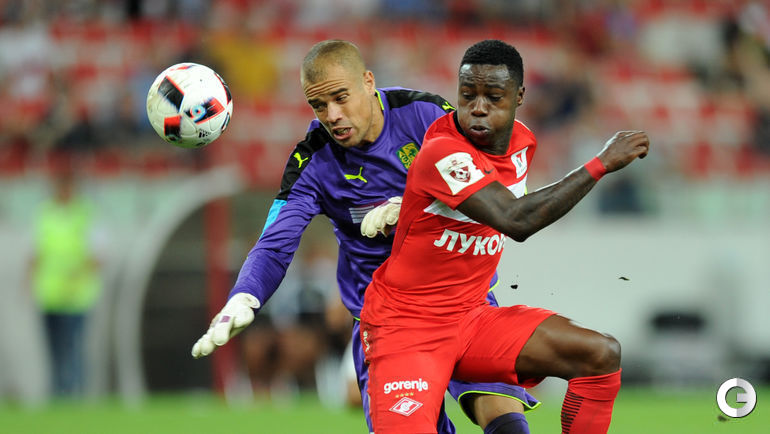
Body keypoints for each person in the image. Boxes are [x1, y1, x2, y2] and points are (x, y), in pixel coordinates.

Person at [191, 39, 540, 433]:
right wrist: (245, 295)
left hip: (464, 304)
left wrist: (415, 206)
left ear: (368, 82)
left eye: (341, 98)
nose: (333, 115)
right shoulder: (312, 161)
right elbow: (276, 241)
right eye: (319, 105)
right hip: (387, 326)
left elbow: (492, 183)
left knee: (504, 419)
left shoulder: (426, 115)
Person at [359, 39, 650, 433]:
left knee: (600, 354)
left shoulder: (522, 144)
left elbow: (489, 202)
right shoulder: (443, 152)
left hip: (473, 319)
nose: (478, 107)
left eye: (493, 97)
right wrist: (601, 164)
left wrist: (409, 208)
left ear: (519, 97)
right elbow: (516, 220)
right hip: (408, 327)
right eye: (467, 95)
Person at [29, 162, 103, 397]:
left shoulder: (85, 213)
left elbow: (98, 257)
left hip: (77, 294)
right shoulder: (45, 213)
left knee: (73, 347)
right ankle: (58, 392)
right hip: (49, 293)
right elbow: (36, 252)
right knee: (54, 348)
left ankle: (74, 393)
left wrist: (79, 274)